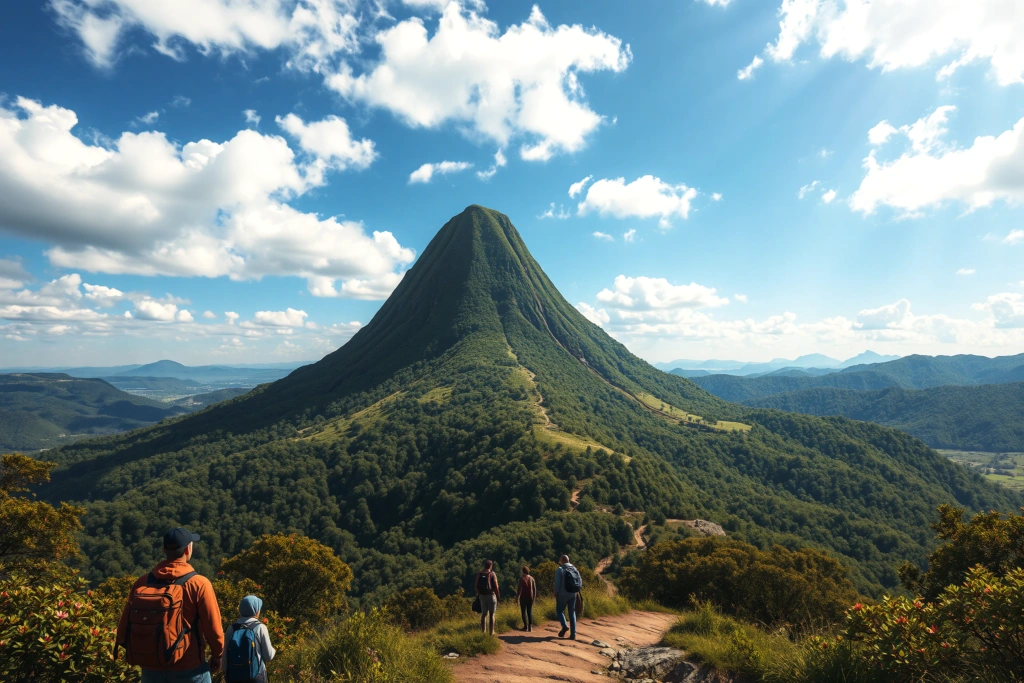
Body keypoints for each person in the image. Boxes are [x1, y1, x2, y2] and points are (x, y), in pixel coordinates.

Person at [117, 527, 225, 683]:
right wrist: (217, 655)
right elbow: (213, 628)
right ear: (188, 549)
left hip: (150, 668)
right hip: (189, 667)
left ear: (163, 550)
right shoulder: (199, 584)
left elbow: (124, 625)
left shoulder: (142, 582)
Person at [224, 595, 277, 683]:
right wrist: (274, 650)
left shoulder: (231, 628)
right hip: (255, 676)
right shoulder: (260, 627)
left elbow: (225, 654)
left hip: (233, 676)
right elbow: (268, 656)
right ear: (255, 610)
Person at [554, 554, 582, 640]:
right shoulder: (574, 569)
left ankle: (565, 626)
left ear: (562, 560)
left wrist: (555, 593)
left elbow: (557, 583)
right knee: (572, 612)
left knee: (559, 611)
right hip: (573, 594)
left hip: (562, 594)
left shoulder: (560, 569)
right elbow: (580, 581)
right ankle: (573, 634)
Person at [475, 559, 500, 635]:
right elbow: (496, 587)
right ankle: (491, 632)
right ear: (491, 566)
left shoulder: (479, 574)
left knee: (484, 614)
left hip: (482, 596)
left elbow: (475, 586)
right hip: (491, 595)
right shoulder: (492, 574)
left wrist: (480, 593)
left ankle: (483, 631)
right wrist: (498, 596)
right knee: (492, 614)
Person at [516, 565, 537, 632]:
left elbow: (519, 589)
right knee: (529, 611)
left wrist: (517, 597)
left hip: (523, 597)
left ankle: (525, 626)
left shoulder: (522, 579)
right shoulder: (532, 578)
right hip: (530, 597)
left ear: (523, 571)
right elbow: (534, 589)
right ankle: (530, 626)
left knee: (523, 612)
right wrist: (534, 597)